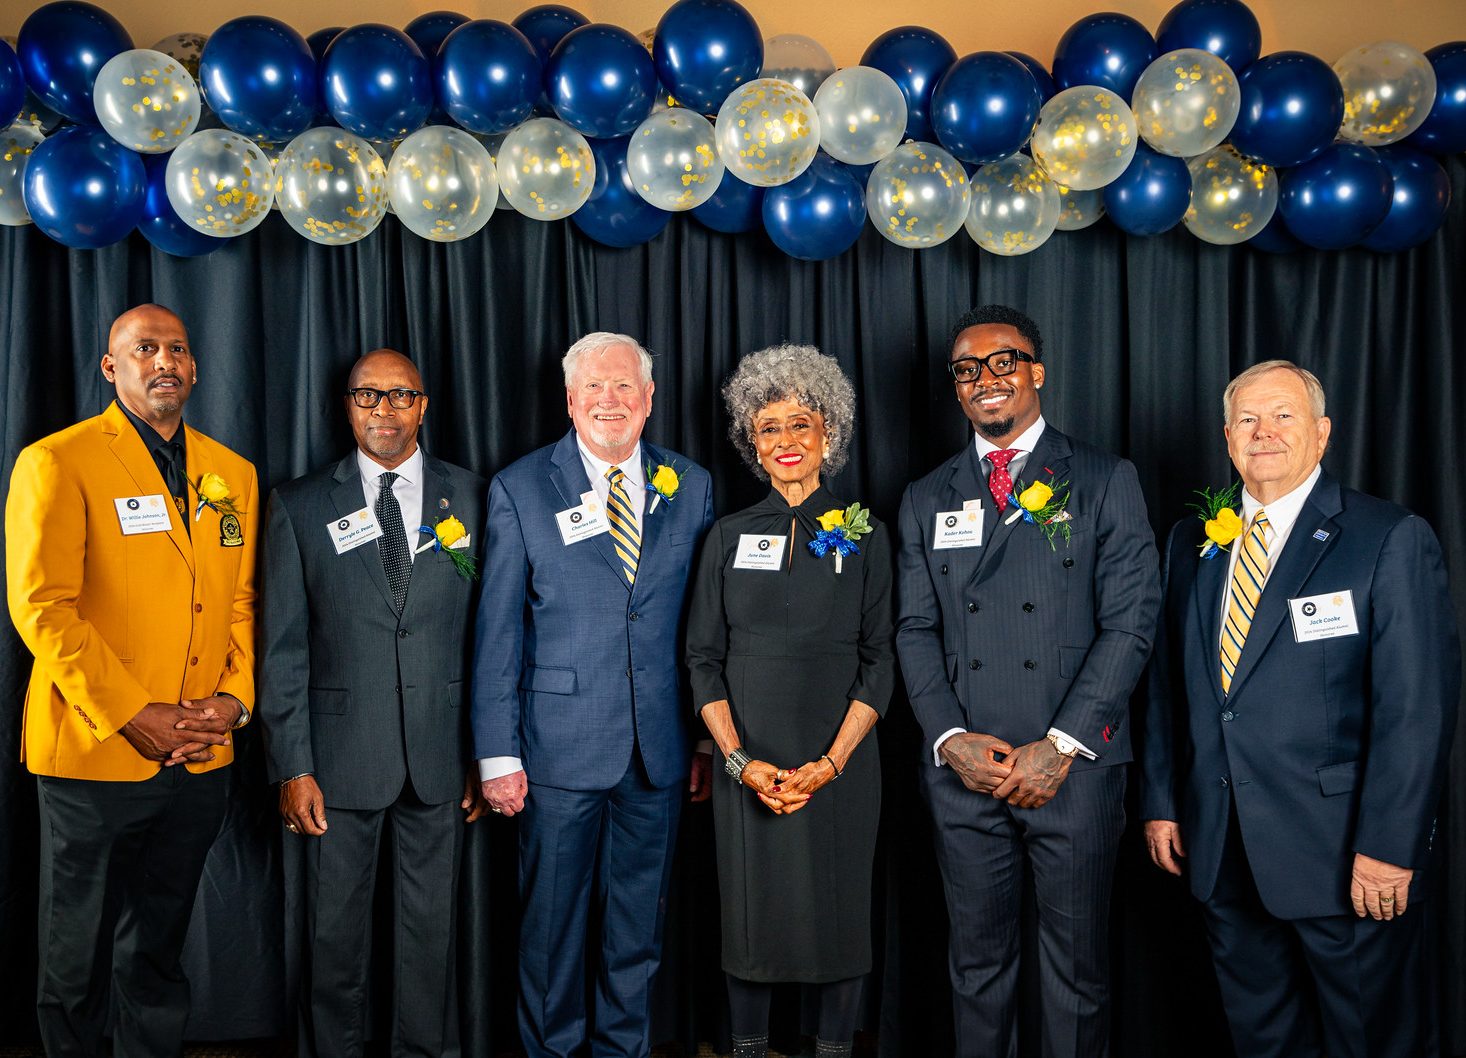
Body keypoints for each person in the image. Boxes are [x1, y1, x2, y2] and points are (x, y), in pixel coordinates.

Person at [1140, 361, 1459, 1058]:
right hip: (1221, 847)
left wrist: (1389, 848)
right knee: (1262, 1039)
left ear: (1321, 433)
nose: (1265, 432)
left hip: (1345, 856)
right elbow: (1172, 681)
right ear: (1227, 438)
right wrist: (1164, 799)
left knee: (1370, 1041)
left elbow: (1416, 710)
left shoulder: (1387, 537)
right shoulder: (1191, 543)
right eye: (1248, 420)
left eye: (1283, 415)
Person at [894, 304, 1160, 1057]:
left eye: (1003, 362)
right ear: (955, 389)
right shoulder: (926, 496)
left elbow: (1133, 622)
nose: (987, 380)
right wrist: (949, 740)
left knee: (1075, 971)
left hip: (1070, 769)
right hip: (964, 772)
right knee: (977, 967)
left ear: (1036, 371)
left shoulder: (1105, 479)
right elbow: (914, 629)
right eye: (967, 370)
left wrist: (1063, 744)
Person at [5, 303, 258, 1057]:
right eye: (145, 348)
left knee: (156, 949)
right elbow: (41, 607)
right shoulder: (60, 460)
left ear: (195, 366)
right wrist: (130, 712)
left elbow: (242, 603)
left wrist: (234, 703)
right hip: (94, 752)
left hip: (198, 757)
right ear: (112, 368)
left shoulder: (230, 473)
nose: (165, 361)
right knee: (76, 956)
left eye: (177, 348)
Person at [471, 331, 715, 1058]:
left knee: (638, 928)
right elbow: (497, 632)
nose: (610, 401)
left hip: (661, 752)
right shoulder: (520, 487)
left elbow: (705, 626)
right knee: (550, 928)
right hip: (556, 752)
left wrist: (704, 736)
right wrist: (495, 754)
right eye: (595, 389)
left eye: (624, 388)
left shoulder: (692, 484)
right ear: (572, 400)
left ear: (648, 400)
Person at [258, 348, 489, 1056]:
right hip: (336, 760)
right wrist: (291, 764)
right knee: (334, 939)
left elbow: (494, 637)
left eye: (400, 395)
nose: (383, 410)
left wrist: (489, 753)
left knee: (430, 938)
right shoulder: (298, 504)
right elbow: (283, 648)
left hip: (441, 754)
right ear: (347, 406)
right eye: (367, 396)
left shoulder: (475, 496)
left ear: (424, 405)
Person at [685, 345, 895, 1058]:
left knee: (839, 912)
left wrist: (830, 765)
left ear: (828, 434)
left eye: (800, 424)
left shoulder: (866, 535)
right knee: (752, 912)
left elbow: (879, 659)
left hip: (839, 763)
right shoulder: (726, 537)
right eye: (768, 428)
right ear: (752, 442)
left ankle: (834, 1048)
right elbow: (702, 660)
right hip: (750, 765)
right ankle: (748, 1047)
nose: (785, 442)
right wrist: (740, 763)